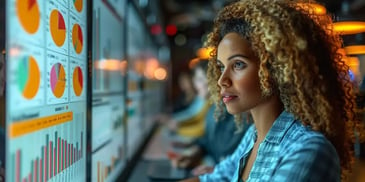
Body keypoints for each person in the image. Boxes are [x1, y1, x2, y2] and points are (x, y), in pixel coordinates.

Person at [182, 0, 360, 181]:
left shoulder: (307, 150)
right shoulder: (253, 136)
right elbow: (213, 178)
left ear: (277, 68)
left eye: (238, 64)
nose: (222, 80)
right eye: (221, 67)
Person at [171, 60, 251, 176]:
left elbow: (233, 156)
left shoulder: (232, 111)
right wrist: (195, 152)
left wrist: (216, 169)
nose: (194, 84)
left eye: (199, 79)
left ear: (213, 80)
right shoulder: (213, 108)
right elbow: (208, 141)